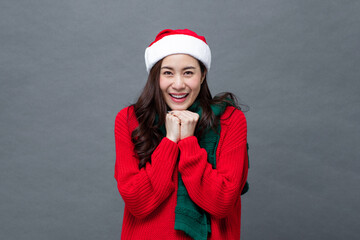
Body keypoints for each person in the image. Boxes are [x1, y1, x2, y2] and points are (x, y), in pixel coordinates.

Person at [114, 29, 248, 240]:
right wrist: (169, 141)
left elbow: (221, 202)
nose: (178, 84)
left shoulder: (230, 120)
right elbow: (137, 202)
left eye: (188, 72)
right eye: (168, 72)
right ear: (156, 76)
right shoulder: (130, 119)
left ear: (202, 75)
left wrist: (188, 142)